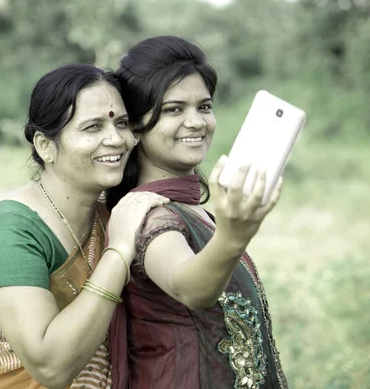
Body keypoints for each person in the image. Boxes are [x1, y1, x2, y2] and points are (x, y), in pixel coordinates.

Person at [0, 63, 168, 389]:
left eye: (122, 123)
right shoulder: (6, 230)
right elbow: (51, 367)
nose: (115, 139)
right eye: (92, 127)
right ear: (45, 146)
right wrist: (119, 252)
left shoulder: (110, 216)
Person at [105, 36, 289, 388]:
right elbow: (187, 286)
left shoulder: (192, 210)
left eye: (204, 107)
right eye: (174, 109)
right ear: (136, 126)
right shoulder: (151, 215)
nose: (196, 122)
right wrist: (234, 236)